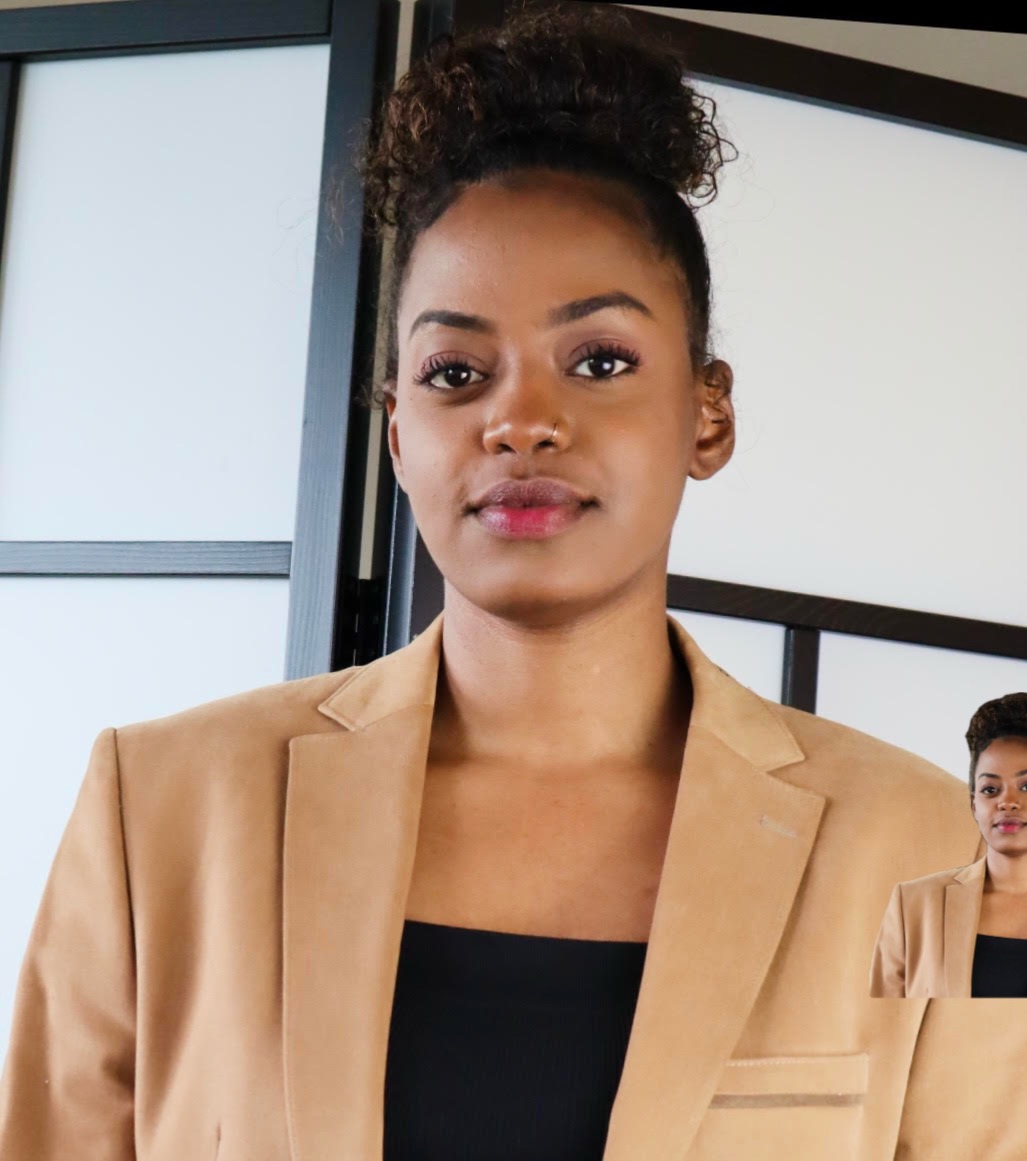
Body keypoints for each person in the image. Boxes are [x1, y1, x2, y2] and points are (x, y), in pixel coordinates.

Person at [1, 4, 1025, 1159]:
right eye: (456, 371)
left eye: (599, 360)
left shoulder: (920, 849)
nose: (521, 420)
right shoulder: (163, 805)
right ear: (398, 437)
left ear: (707, 414)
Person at [870, 692, 1027, 998]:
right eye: (990, 789)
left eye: (1026, 786)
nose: (1007, 802)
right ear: (974, 805)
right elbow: (880, 1021)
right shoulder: (914, 904)